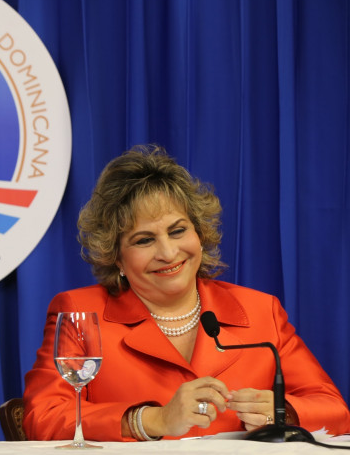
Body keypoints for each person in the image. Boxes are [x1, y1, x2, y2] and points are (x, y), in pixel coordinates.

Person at [23, 145, 350, 441]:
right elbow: (44, 417)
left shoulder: (261, 311)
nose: (168, 253)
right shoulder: (79, 312)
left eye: (178, 231)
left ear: (200, 234)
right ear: (117, 257)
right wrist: (153, 420)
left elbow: (334, 410)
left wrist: (283, 412)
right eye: (144, 240)